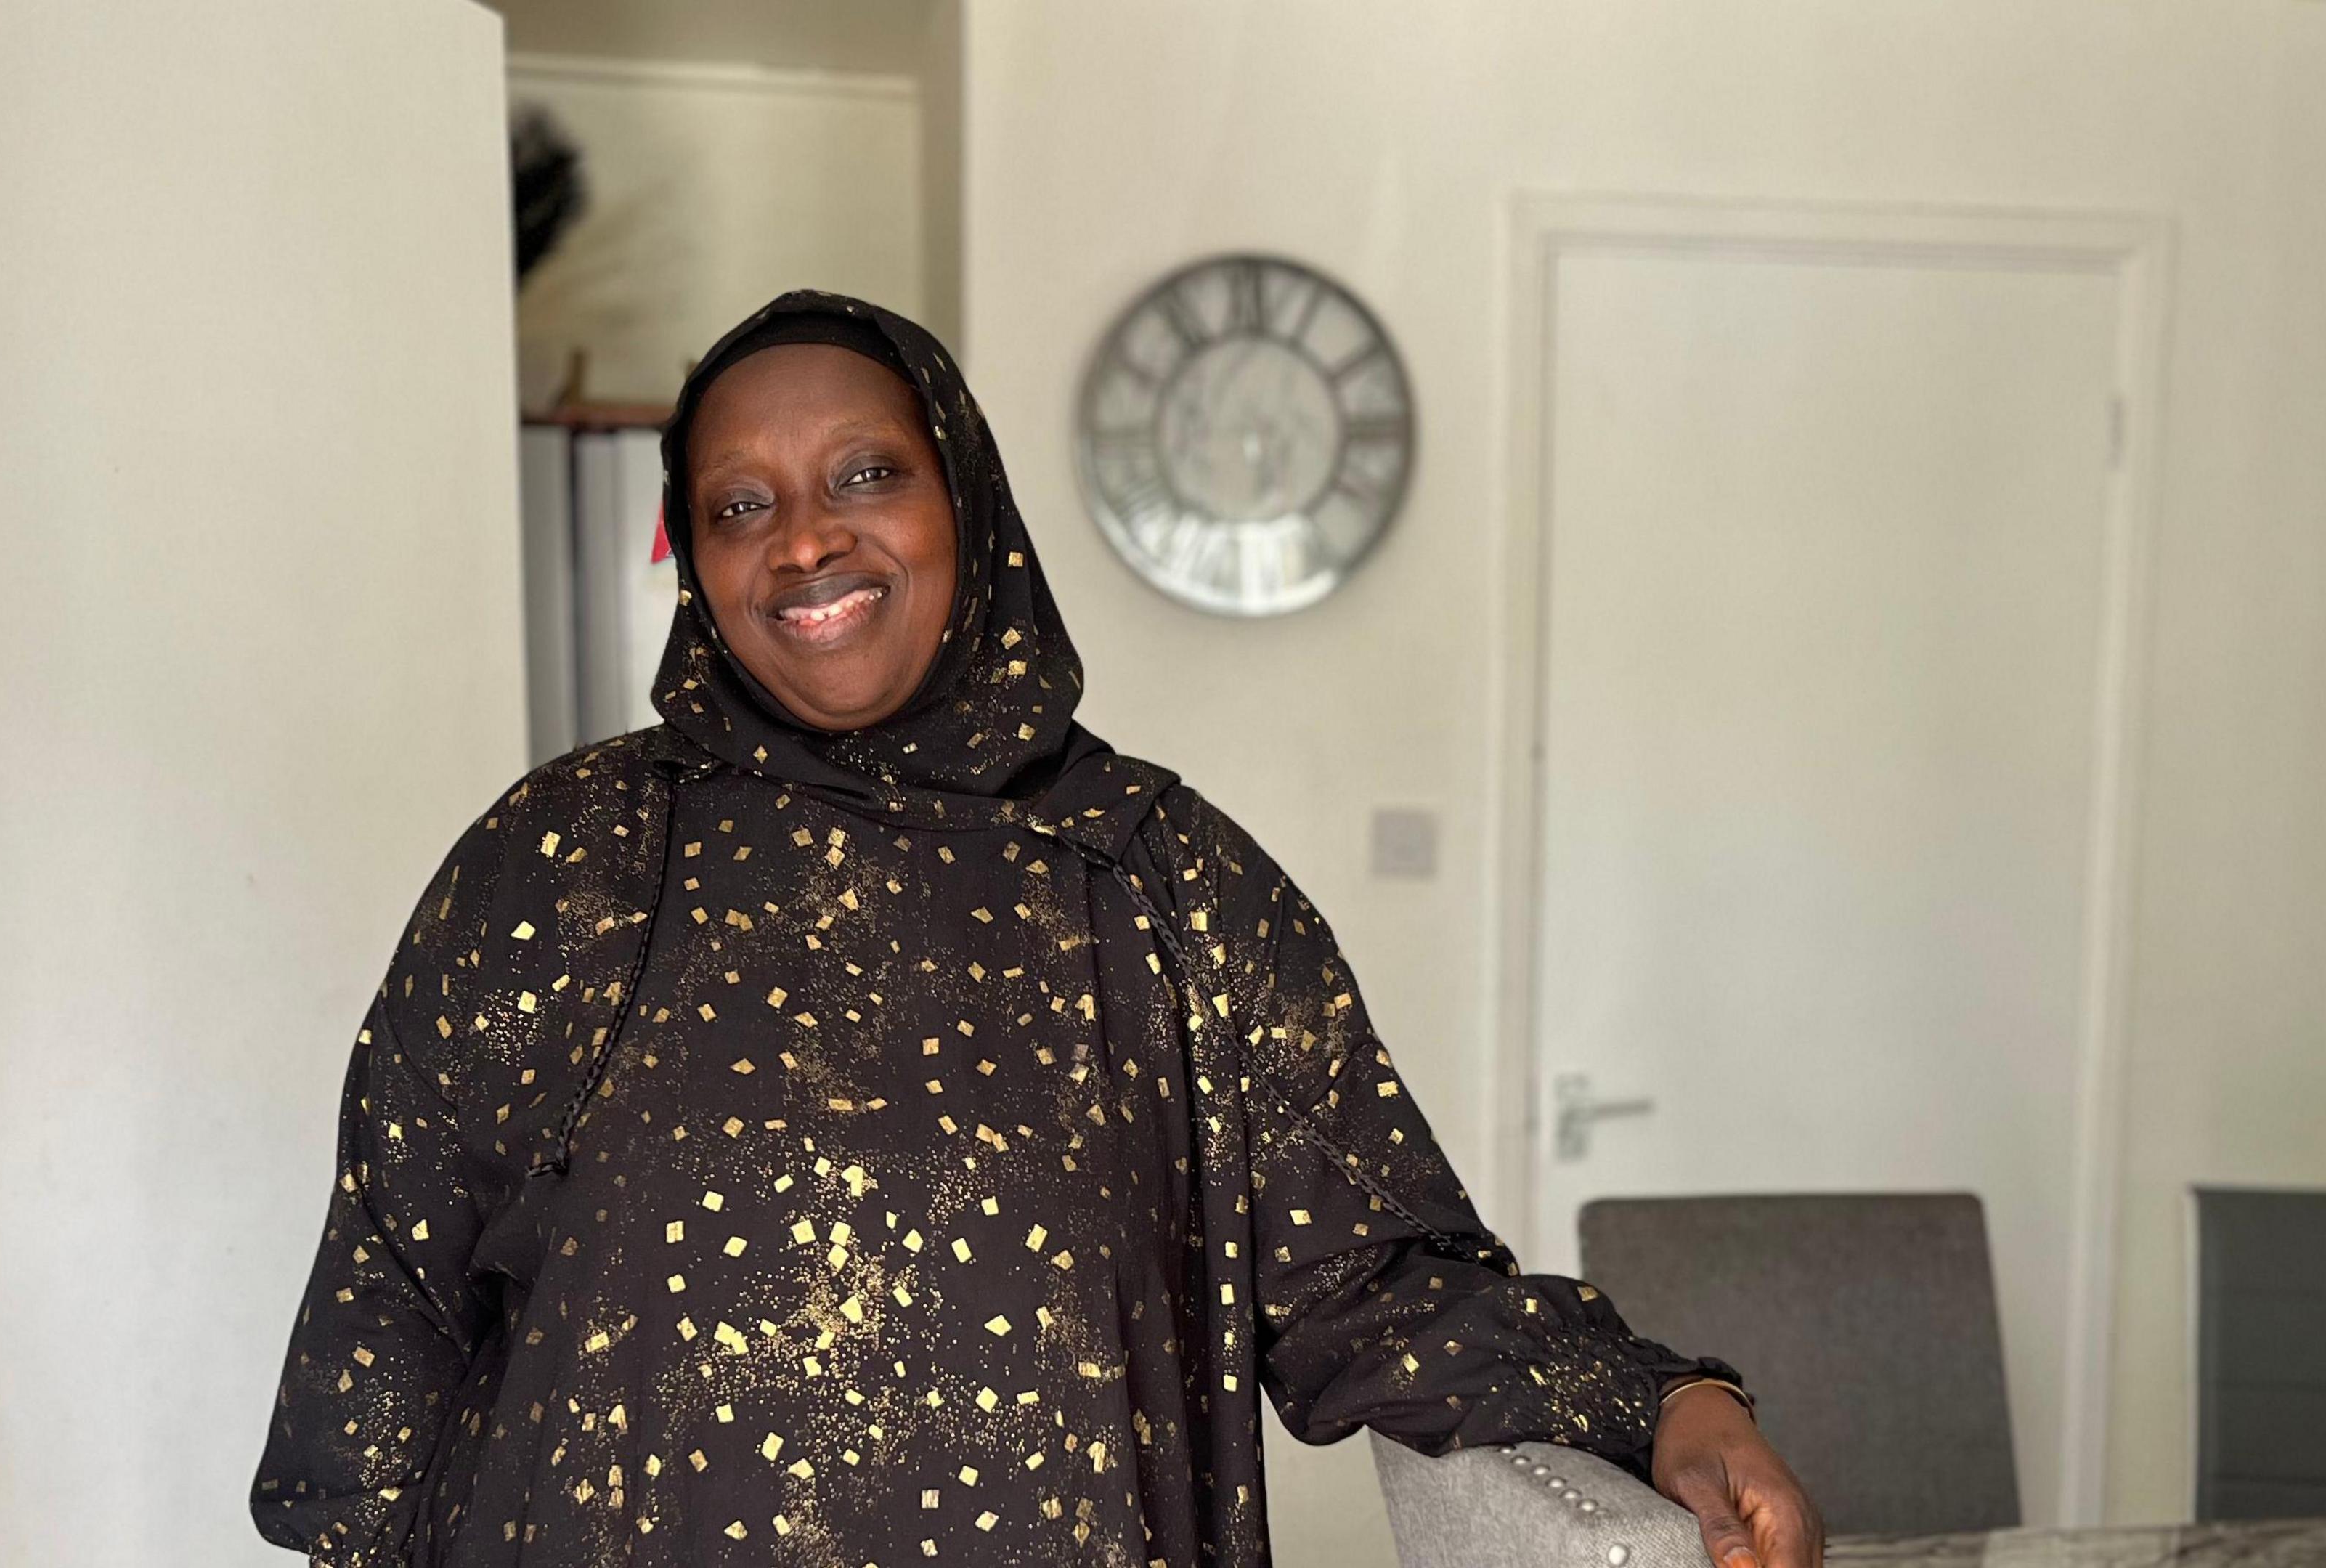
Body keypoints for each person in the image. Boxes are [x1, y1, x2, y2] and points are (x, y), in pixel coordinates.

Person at [251, 292, 1820, 1567]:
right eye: (742, 503)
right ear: (699, 563)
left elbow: (1374, 1288)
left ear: (966, 497)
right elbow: (389, 1304)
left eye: (866, 473)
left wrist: (1666, 1402)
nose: (805, 538)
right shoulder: (563, 863)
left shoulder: (1166, 881)